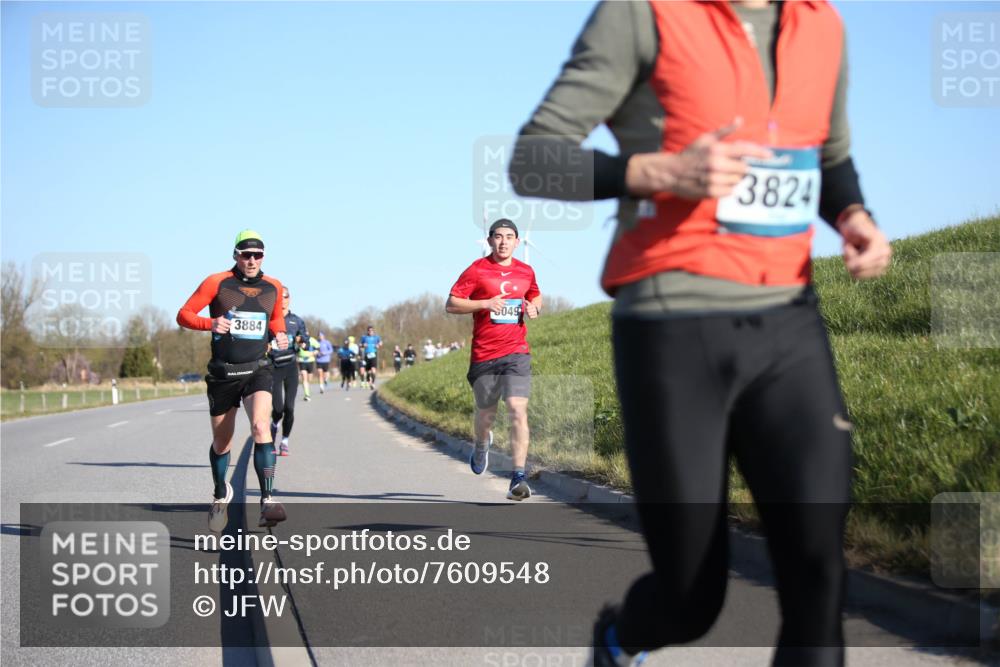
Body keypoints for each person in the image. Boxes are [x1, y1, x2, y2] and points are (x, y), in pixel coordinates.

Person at [509, 1, 892, 664]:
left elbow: (828, 156)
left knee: (818, 569)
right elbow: (532, 160)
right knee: (691, 595)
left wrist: (853, 214)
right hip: (671, 322)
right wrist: (662, 171)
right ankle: (617, 638)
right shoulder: (643, 13)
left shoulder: (821, 25)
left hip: (788, 321)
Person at [176, 230, 291, 531]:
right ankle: (219, 493)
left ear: (263, 257)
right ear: (235, 255)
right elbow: (183, 314)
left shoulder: (273, 286)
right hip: (224, 373)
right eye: (245, 254)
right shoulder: (217, 282)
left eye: (258, 255)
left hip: (258, 368)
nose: (251, 260)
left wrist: (279, 334)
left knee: (260, 426)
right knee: (222, 441)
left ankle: (267, 501)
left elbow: (274, 319)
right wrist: (210, 323)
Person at [446, 218, 542, 501]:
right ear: (489, 241)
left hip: (516, 353)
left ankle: (518, 477)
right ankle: (480, 444)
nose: (503, 241)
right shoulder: (477, 270)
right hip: (484, 355)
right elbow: (451, 303)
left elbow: (536, 296)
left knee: (517, 410)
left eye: (509, 237)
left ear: (517, 241)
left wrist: (535, 308)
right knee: (485, 416)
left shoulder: (526, 271)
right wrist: (484, 303)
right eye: (498, 236)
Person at [270, 286, 307, 457]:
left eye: (286, 296)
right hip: (274, 366)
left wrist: (302, 342)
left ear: (289, 298)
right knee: (278, 408)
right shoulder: (270, 319)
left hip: (291, 366)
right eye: (280, 297)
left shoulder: (297, 321)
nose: (283, 300)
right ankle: (274, 425)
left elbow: (305, 339)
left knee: (289, 408)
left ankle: (284, 441)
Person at [296, 332, 318, 401]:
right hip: (302, 361)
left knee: (309, 379)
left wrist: (315, 352)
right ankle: (307, 394)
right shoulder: (298, 340)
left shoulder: (312, 340)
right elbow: (295, 349)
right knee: (304, 377)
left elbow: (318, 347)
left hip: (310, 360)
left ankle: (307, 390)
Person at [359, 325, 383, 389]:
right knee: (368, 371)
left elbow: (381, 342)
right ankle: (368, 381)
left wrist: (378, 345)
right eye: (369, 330)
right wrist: (363, 345)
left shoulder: (376, 337)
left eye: (371, 330)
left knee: (373, 370)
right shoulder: (364, 337)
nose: (370, 332)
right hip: (366, 355)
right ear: (367, 331)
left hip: (374, 354)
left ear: (373, 331)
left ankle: (372, 383)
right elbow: (360, 344)